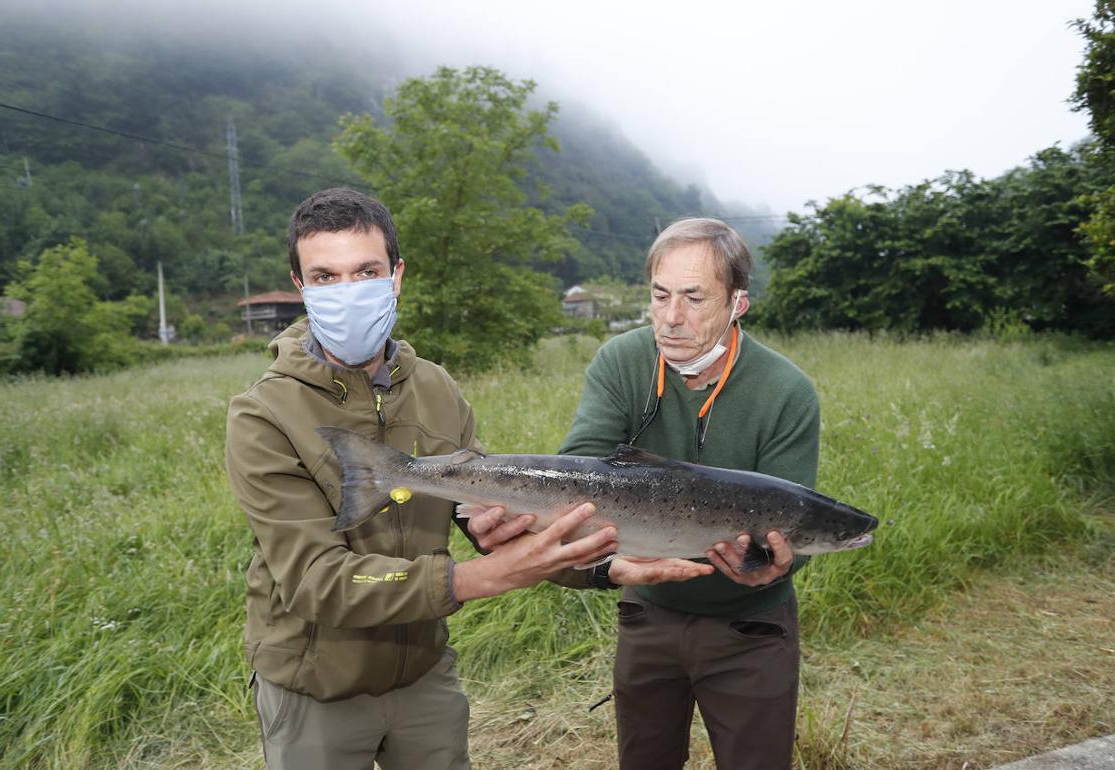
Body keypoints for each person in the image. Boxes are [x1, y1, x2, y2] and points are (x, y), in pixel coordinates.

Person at [224, 187, 707, 770]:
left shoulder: (435, 387)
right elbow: (315, 582)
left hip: (424, 676)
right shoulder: (263, 414)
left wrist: (599, 565)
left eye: (367, 271)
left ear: (396, 276)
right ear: (300, 287)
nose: (348, 292)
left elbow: (491, 522)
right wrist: (480, 577)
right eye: (325, 277)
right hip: (314, 688)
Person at [490, 217, 819, 769]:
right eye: (660, 295)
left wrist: (783, 565)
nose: (671, 318)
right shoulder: (622, 361)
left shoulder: (786, 391)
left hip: (751, 623)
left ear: (738, 302)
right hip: (648, 611)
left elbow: (797, 525)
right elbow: (579, 475)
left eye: (694, 298)